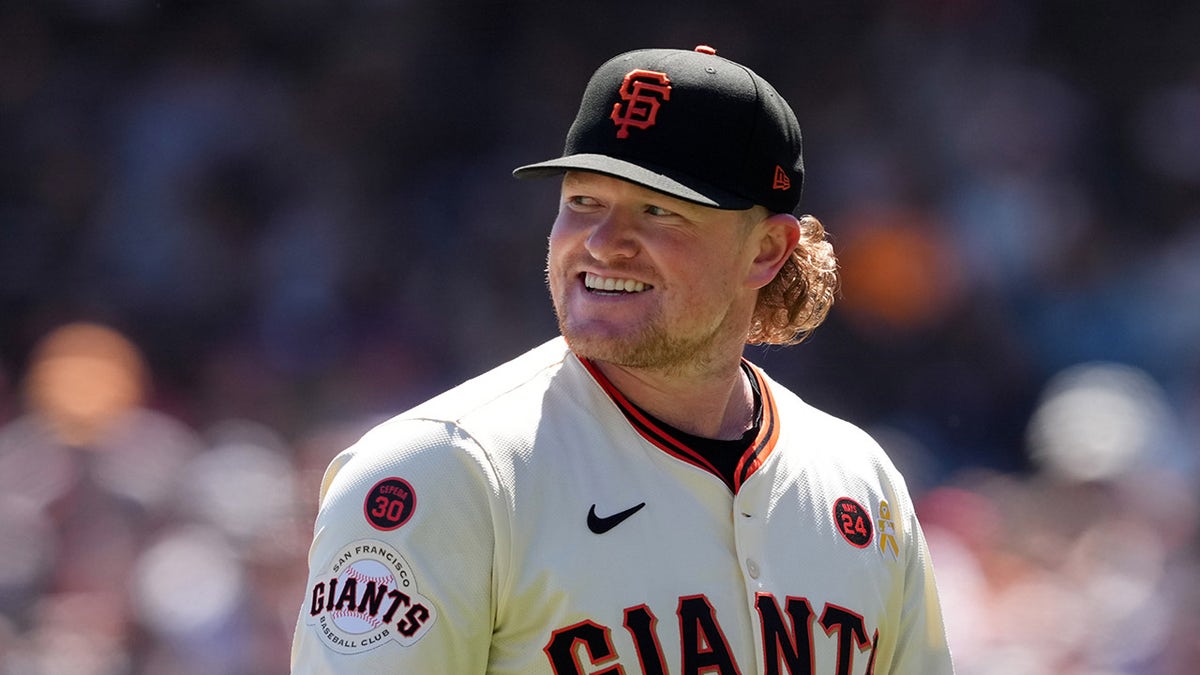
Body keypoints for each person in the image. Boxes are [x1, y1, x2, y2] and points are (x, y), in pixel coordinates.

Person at [291, 45, 954, 674]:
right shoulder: (447, 472)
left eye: (659, 211)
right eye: (583, 202)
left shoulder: (862, 482)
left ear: (764, 251)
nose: (604, 244)